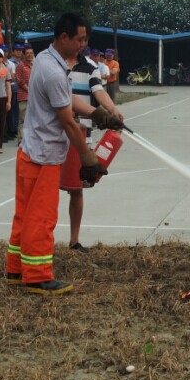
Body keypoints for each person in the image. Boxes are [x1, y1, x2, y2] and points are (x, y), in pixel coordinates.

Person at [5, 13, 123, 296]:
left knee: (25, 214)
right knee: (42, 217)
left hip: (30, 152)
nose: (83, 44)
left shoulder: (46, 60)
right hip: (45, 157)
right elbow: (68, 121)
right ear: (63, 37)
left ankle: (16, 269)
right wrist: (87, 156)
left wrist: (97, 113)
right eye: (79, 39)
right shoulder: (55, 71)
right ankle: (37, 276)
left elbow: (66, 99)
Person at [61, 33, 125, 252]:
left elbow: (98, 91)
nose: (81, 44)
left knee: (76, 188)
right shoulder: (55, 65)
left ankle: (74, 240)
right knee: (47, 187)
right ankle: (40, 239)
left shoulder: (90, 67)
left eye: (84, 40)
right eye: (78, 39)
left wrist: (112, 109)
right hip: (54, 136)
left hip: (81, 135)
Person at [16, 45, 34, 143]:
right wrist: (30, 91)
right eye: (27, 53)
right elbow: (20, 81)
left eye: (31, 53)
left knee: (33, 119)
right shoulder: (20, 66)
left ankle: (30, 138)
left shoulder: (35, 65)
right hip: (24, 96)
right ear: (23, 55)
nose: (30, 55)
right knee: (23, 119)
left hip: (34, 97)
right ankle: (21, 139)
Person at [6, 43, 21, 140]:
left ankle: (15, 129)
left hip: (19, 89)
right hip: (11, 88)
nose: (19, 52)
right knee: (11, 111)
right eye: (17, 50)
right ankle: (11, 130)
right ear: (13, 52)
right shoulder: (10, 62)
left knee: (17, 111)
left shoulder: (21, 62)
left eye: (20, 50)